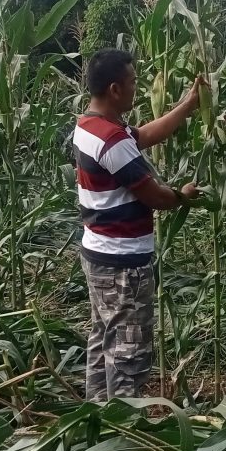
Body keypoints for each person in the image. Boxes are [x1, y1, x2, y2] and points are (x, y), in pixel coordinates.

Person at [72, 48, 204, 401]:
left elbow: (142, 136)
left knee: (103, 342)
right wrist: (182, 195)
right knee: (128, 356)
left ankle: (99, 422)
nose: (137, 88)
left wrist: (188, 105)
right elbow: (155, 197)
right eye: (132, 82)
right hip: (123, 267)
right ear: (115, 89)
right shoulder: (112, 142)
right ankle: (127, 439)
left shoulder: (91, 126)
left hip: (99, 255)